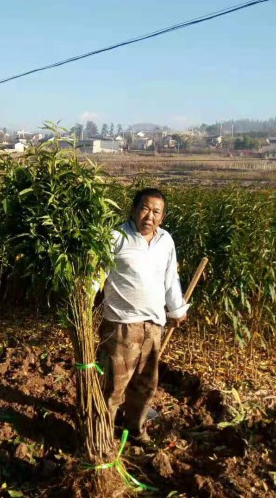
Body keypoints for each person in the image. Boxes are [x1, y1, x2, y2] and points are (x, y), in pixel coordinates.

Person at [98, 188, 189, 443]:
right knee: (114, 386)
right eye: (145, 209)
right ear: (134, 210)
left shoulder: (165, 241)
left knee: (145, 384)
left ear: (162, 217)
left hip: (154, 325)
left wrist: (177, 309)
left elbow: (170, 278)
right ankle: (102, 434)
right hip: (122, 324)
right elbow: (98, 274)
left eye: (156, 212)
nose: (150, 216)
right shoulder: (116, 237)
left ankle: (135, 430)